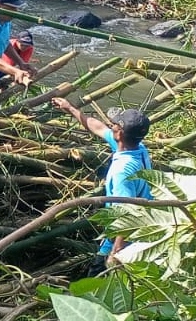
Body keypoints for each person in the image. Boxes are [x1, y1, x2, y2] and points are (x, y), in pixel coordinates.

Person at [51, 98, 153, 275]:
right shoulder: (138, 148)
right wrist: (71, 108)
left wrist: (117, 250)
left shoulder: (123, 170)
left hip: (124, 234)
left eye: (114, 124)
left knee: (98, 278)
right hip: (141, 226)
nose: (110, 125)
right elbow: (98, 127)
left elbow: (127, 210)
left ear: (120, 134)